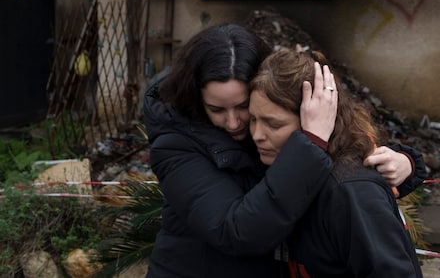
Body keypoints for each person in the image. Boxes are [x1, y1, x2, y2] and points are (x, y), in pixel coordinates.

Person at [144, 23, 424, 277]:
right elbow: (238, 231)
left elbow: (347, 175)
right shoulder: (176, 144)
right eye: (216, 109)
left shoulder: (319, 161)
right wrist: (310, 143)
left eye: (244, 108)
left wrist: (405, 162)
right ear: (195, 98)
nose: (234, 124)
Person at [249, 48, 424, 277]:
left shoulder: (349, 191)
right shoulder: (270, 164)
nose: (257, 135)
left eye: (274, 125)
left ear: (315, 120)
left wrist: (409, 162)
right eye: (252, 119)